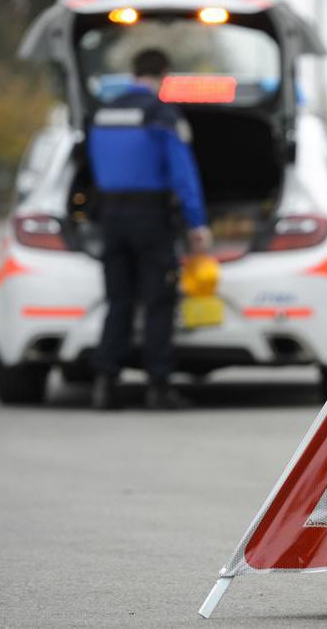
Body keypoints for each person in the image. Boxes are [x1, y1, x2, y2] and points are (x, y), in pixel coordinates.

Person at [88, 48, 212, 410]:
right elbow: (182, 173)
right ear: (164, 74)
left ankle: (105, 383)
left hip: (110, 217)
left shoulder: (104, 113)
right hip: (150, 218)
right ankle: (158, 387)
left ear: (133, 72)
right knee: (158, 301)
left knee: (119, 302)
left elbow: (93, 166)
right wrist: (197, 222)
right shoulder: (161, 114)